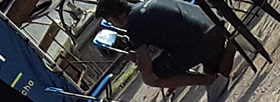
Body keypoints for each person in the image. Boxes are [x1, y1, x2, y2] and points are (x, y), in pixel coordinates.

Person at [95, 0, 237, 94]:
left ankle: (210, 81)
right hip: (215, 27)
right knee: (217, 72)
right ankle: (233, 44)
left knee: (150, 79)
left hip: (200, 41)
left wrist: (139, 60)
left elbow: (147, 69)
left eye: (111, 21)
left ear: (116, 18)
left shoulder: (133, 23)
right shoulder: (146, 5)